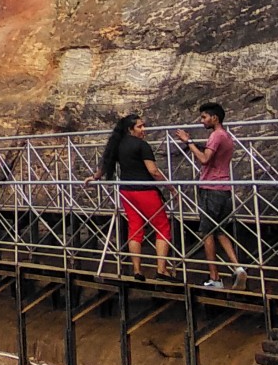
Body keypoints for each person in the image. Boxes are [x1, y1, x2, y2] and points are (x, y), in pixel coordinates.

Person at [175, 101, 247, 290]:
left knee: (207, 232)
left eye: (204, 117)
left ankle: (215, 277)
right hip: (224, 189)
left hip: (211, 189)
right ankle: (238, 268)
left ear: (214, 118)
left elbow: (205, 159)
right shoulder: (227, 137)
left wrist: (188, 142)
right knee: (221, 230)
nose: (202, 121)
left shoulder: (216, 136)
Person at [96, 112, 171, 276]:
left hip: (126, 191)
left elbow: (106, 164)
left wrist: (94, 177)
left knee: (135, 228)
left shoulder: (118, 145)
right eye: (140, 126)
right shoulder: (141, 145)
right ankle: (161, 269)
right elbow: (154, 171)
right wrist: (171, 187)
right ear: (131, 129)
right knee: (162, 227)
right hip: (145, 190)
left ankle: (137, 270)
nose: (143, 129)